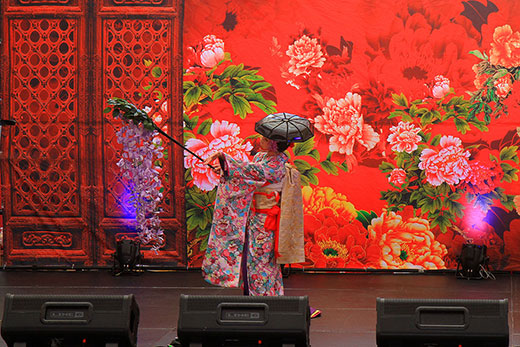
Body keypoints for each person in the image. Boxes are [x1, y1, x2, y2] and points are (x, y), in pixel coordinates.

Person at [202, 135, 322, 317]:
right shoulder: (261, 157)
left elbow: (251, 171)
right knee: (249, 262)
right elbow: (247, 177)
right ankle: (254, 299)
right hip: (253, 218)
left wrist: (226, 161)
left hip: (266, 222)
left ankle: (266, 303)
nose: (260, 139)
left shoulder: (278, 164)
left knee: (262, 263)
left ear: (275, 143)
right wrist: (226, 171)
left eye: (265, 138)